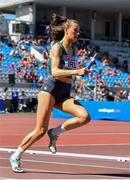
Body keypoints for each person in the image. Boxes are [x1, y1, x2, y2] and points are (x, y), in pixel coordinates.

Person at [10, 13, 91, 173]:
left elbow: (69, 70)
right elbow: (54, 71)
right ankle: (16, 154)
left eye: (79, 31)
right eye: (75, 31)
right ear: (66, 31)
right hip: (50, 90)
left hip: (65, 92)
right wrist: (77, 71)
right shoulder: (57, 47)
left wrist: (81, 71)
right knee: (39, 130)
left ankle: (54, 133)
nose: (78, 33)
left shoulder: (74, 49)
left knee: (85, 117)